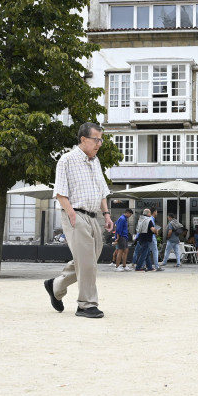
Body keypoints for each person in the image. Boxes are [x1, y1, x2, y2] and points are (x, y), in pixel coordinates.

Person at [43, 123, 114, 319]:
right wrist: (71, 214)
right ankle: (86, 304)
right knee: (87, 263)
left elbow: (102, 190)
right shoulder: (66, 160)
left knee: (88, 261)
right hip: (75, 214)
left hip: (94, 217)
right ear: (83, 139)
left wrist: (106, 214)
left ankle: (55, 285)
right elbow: (60, 192)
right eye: (96, 139)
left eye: (101, 139)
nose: (99, 143)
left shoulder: (95, 161)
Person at [133, 208, 160, 272]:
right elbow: (152, 229)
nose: (150, 214)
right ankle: (138, 267)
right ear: (148, 213)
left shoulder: (140, 219)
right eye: (150, 212)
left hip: (141, 238)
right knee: (144, 254)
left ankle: (149, 267)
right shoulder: (149, 220)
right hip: (146, 238)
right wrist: (156, 231)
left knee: (147, 253)